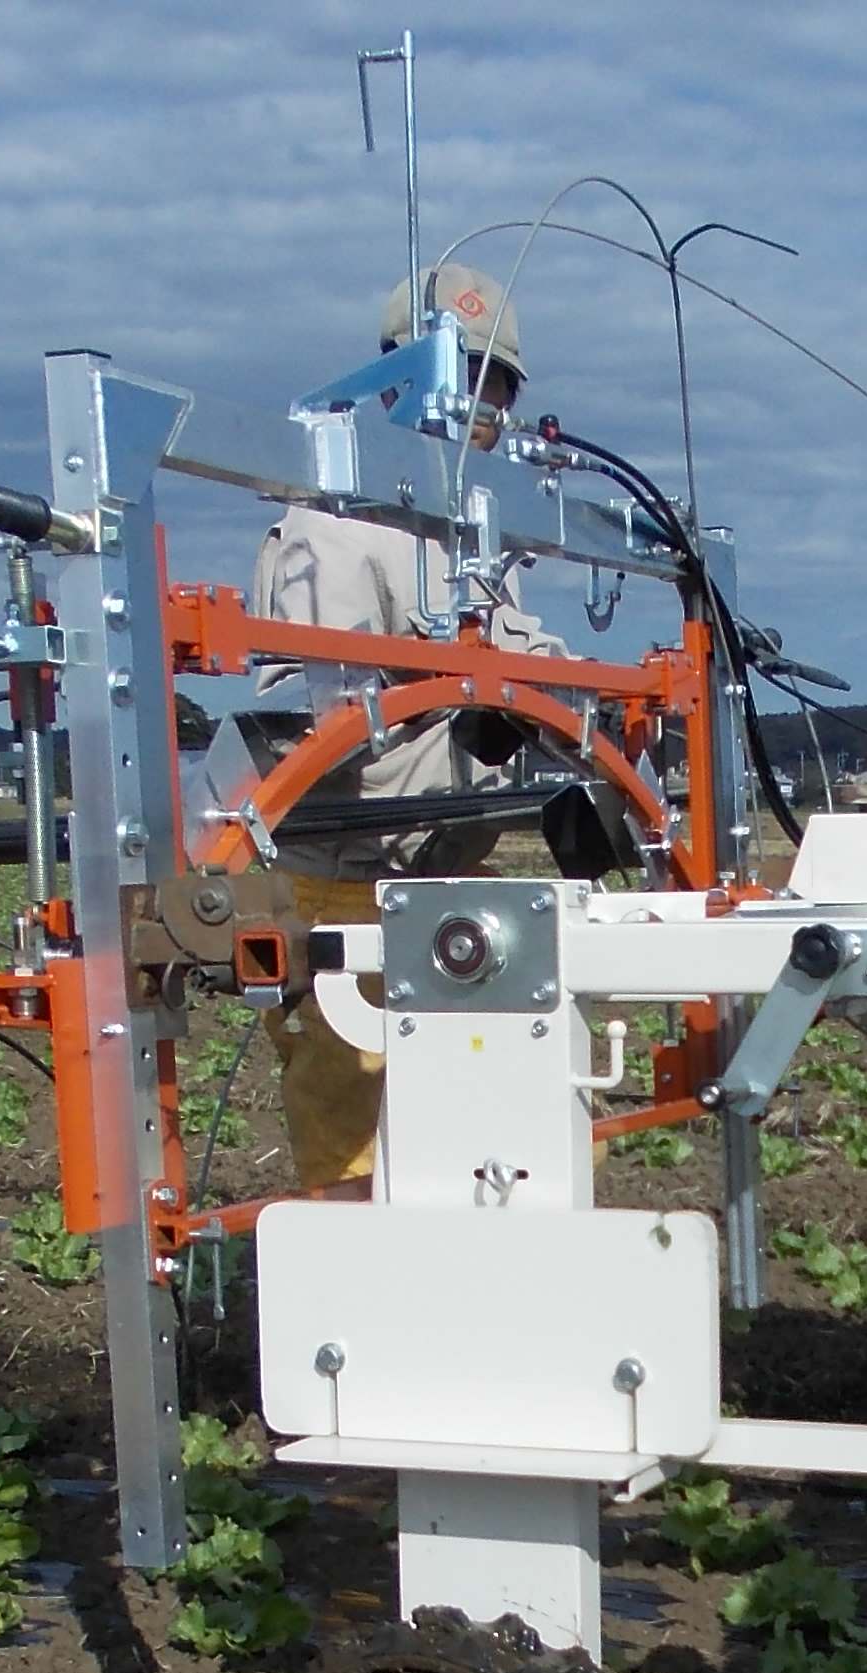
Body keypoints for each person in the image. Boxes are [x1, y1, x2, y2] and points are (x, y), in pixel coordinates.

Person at [253, 265, 562, 1196]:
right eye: (460, 380)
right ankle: (350, 1307)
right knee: (356, 1127)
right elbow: (316, 729)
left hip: (451, 871)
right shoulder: (333, 526)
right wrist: (453, 694)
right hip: (348, 885)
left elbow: (522, 659)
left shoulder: (474, 533)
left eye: (494, 387)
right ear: (400, 382)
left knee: (487, 1116)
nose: (479, 408)